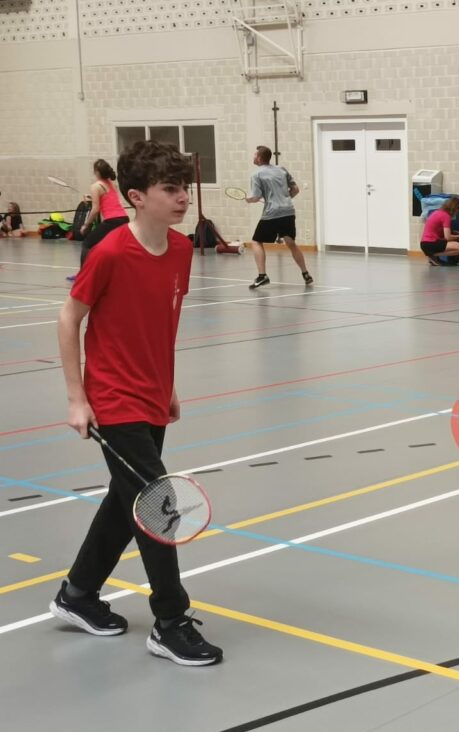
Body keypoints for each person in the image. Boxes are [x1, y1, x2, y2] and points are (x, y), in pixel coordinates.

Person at [50, 140, 222, 667]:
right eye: (171, 190)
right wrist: (78, 399)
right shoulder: (108, 253)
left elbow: (159, 321)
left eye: (185, 189)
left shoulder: (181, 250)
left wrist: (167, 386)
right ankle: (169, 622)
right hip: (113, 400)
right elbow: (68, 318)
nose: (183, 199)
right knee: (157, 504)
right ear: (136, 196)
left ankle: (77, 594)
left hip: (150, 396)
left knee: (125, 501)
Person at [245, 145, 313, 289]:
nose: (253, 157)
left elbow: (256, 197)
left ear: (259, 158)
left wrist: (248, 199)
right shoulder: (281, 169)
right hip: (288, 211)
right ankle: (305, 274)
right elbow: (295, 189)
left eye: (254, 155)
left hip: (272, 213)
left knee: (256, 241)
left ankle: (262, 276)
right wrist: (284, 200)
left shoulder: (256, 174)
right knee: (291, 243)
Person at [68, 159, 131, 282]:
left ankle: (83, 275)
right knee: (117, 248)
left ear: (96, 172)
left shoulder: (95, 186)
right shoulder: (111, 184)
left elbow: (95, 209)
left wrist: (86, 225)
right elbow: (107, 199)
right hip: (124, 219)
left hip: (112, 221)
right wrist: (91, 197)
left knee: (87, 243)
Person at [420, 197, 459, 265]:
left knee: (455, 242)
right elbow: (447, 237)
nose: (456, 213)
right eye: (457, 210)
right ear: (454, 208)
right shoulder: (446, 216)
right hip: (430, 244)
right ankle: (433, 255)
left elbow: (440, 231)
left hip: (425, 243)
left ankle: (432, 256)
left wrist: (455, 232)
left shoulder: (438, 212)